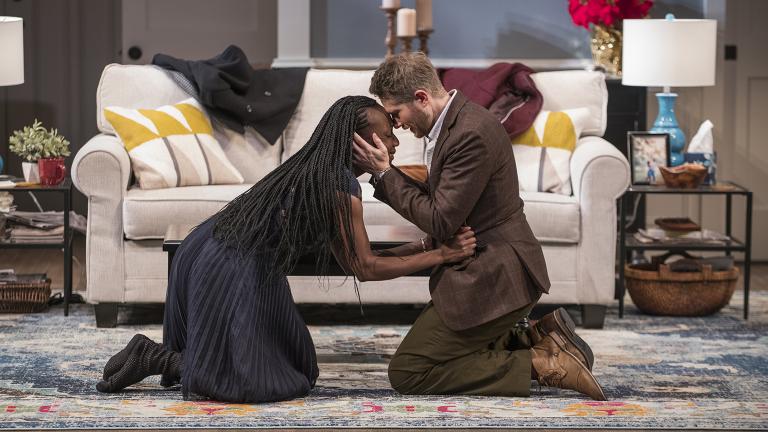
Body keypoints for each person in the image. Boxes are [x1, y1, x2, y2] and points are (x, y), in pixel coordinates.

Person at [96, 96, 478, 403]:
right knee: (266, 383)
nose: (395, 142)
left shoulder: (314, 168)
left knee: (300, 365)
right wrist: (442, 255)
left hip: (206, 247)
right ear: (358, 143)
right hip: (233, 265)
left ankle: (180, 359)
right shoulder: (340, 184)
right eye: (386, 136)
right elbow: (365, 267)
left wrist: (423, 245)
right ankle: (157, 357)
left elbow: (352, 258)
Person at [352, 53, 606, 400]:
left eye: (397, 114)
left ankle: (543, 361)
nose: (396, 125)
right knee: (440, 354)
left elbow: (441, 219)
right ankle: (535, 337)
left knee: (410, 370)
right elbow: (441, 201)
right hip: (489, 271)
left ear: (422, 98)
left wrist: (382, 173)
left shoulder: (469, 133)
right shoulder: (453, 124)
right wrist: (388, 175)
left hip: (495, 277)